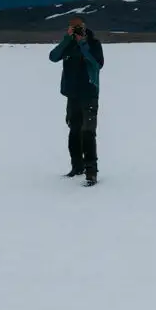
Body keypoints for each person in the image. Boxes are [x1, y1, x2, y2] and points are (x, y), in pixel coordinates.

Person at [48, 16, 104, 185]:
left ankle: (91, 172)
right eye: (73, 27)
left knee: (88, 132)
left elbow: (97, 63)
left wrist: (83, 43)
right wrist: (67, 39)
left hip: (89, 93)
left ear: (85, 27)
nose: (77, 30)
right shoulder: (68, 44)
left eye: (78, 27)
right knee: (74, 131)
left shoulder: (93, 43)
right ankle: (77, 166)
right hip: (72, 95)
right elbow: (53, 56)